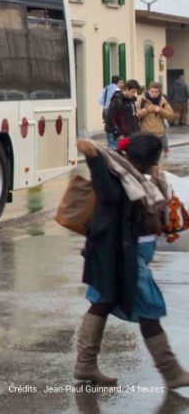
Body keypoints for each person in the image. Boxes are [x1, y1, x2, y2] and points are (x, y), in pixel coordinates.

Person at [73, 133, 189, 389]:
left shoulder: (139, 178)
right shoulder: (117, 177)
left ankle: (85, 365)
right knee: (149, 309)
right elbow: (108, 193)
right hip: (121, 258)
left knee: (101, 303)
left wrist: (157, 180)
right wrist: (93, 159)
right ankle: (172, 373)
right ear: (149, 160)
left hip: (116, 255)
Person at [139, 81, 177, 155]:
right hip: (146, 133)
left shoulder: (163, 100)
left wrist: (160, 110)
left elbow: (171, 115)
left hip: (159, 133)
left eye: (156, 92)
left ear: (159, 92)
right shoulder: (141, 100)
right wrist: (147, 110)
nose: (154, 94)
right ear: (148, 90)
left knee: (160, 157)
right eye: (152, 91)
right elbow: (136, 114)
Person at [104, 80, 141, 149]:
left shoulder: (131, 101)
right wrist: (119, 134)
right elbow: (110, 118)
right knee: (118, 157)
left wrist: (138, 131)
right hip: (121, 136)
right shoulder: (117, 100)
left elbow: (134, 117)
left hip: (132, 135)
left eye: (135, 92)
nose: (134, 94)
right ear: (126, 89)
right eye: (133, 91)